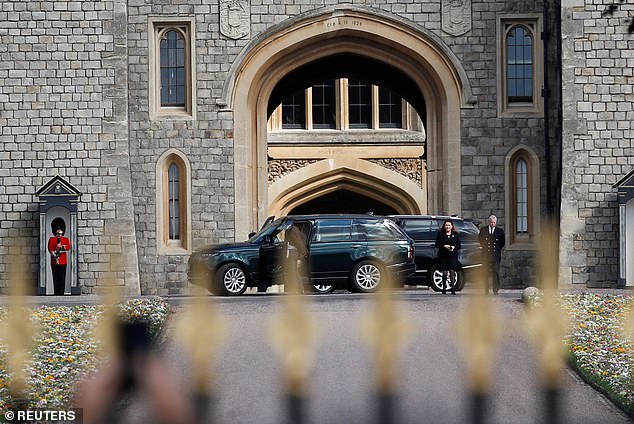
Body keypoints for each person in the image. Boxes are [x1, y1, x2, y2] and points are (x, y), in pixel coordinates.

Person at [478, 215, 505, 295]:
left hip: (495, 255)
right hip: (485, 255)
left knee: (495, 272)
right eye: (491, 222)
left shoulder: (500, 231)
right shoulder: (483, 230)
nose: (492, 224)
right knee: (485, 272)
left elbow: (502, 242)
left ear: (496, 222)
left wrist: (496, 249)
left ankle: (495, 290)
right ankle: (486, 289)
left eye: (494, 222)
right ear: (488, 222)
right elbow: (480, 240)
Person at [434, 219, 461, 295]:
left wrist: (453, 247)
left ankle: (452, 288)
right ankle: (443, 288)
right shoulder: (440, 234)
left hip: (452, 255)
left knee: (452, 271)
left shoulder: (456, 234)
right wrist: (444, 246)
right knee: (444, 272)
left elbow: (459, 245)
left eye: (449, 225)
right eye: (446, 225)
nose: (447, 227)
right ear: (444, 226)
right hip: (443, 255)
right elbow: (437, 244)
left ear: (452, 226)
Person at [284, 224, 309, 294]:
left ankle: (296, 289)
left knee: (293, 273)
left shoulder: (291, 230)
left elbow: (297, 242)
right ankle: (299, 290)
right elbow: (303, 237)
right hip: (294, 252)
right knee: (294, 272)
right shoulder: (295, 229)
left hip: (292, 252)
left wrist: (303, 252)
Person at [48, 228, 71, 295]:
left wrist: (61, 247)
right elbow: (50, 248)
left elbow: (68, 247)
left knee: (62, 277)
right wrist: (54, 254)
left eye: (60, 234)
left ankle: (61, 293)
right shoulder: (52, 239)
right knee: (55, 277)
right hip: (54, 260)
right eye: (58, 234)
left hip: (63, 260)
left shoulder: (65, 239)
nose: (59, 235)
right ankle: (56, 292)